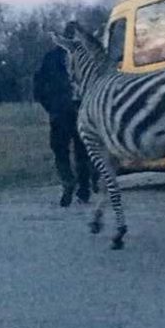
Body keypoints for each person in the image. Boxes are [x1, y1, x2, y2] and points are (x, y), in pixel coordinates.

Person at [33, 20, 97, 207]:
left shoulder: (51, 58)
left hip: (59, 111)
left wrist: (50, 106)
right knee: (83, 151)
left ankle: (68, 182)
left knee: (60, 150)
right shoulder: (87, 58)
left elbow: (38, 85)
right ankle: (83, 189)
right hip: (80, 110)